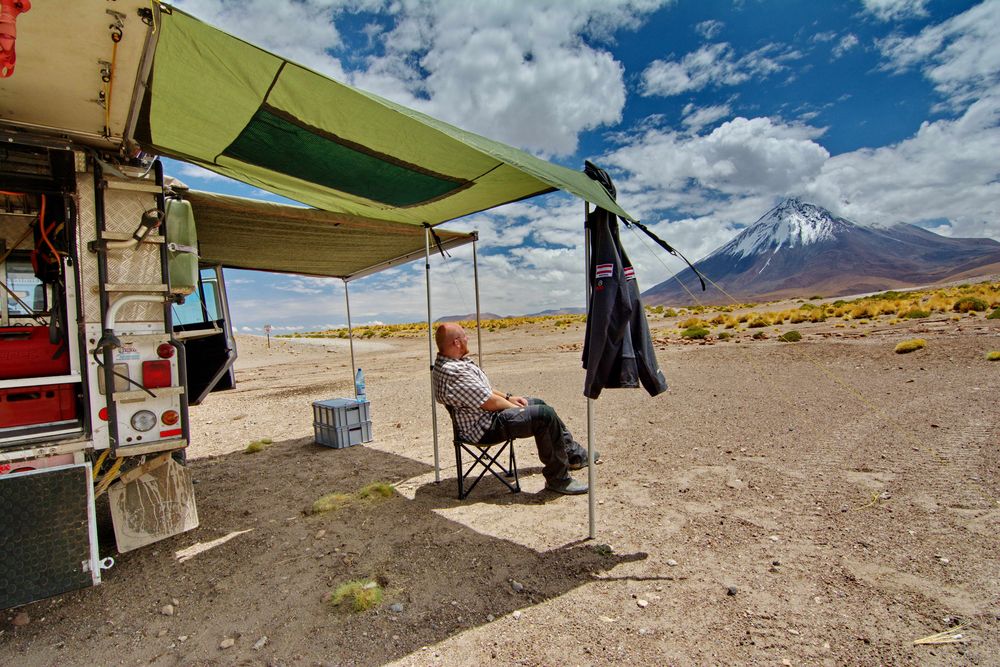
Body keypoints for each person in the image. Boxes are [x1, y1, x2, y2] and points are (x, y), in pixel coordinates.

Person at [432, 322, 595, 495]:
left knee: (536, 402)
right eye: (464, 336)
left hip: (486, 417)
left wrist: (509, 398)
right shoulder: (452, 371)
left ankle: (573, 455)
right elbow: (488, 401)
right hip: (484, 427)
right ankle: (558, 479)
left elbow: (482, 391)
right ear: (457, 343)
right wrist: (516, 410)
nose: (467, 338)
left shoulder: (453, 362)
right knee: (544, 415)